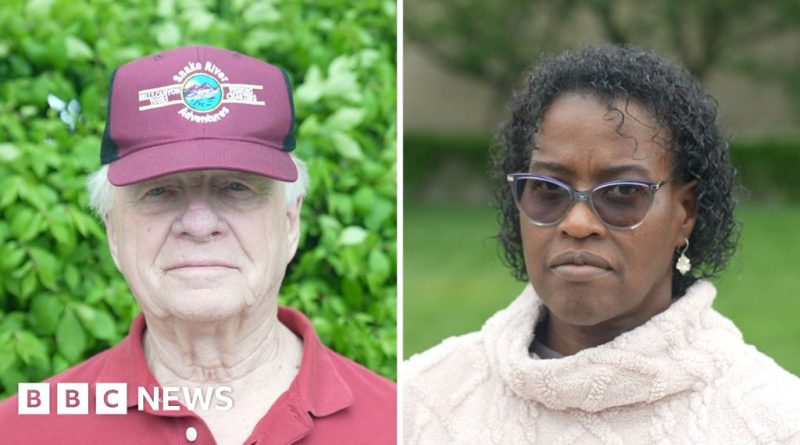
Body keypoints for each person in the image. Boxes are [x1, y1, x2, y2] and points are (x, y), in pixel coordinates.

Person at [403, 44, 800, 444]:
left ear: (685, 212)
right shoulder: (424, 401)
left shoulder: (775, 423)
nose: (577, 223)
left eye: (623, 191)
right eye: (546, 188)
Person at [0, 45, 396, 445]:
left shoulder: (406, 424)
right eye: (159, 191)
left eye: (236, 187)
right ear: (114, 233)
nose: (199, 224)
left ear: (290, 222)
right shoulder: (20, 432)